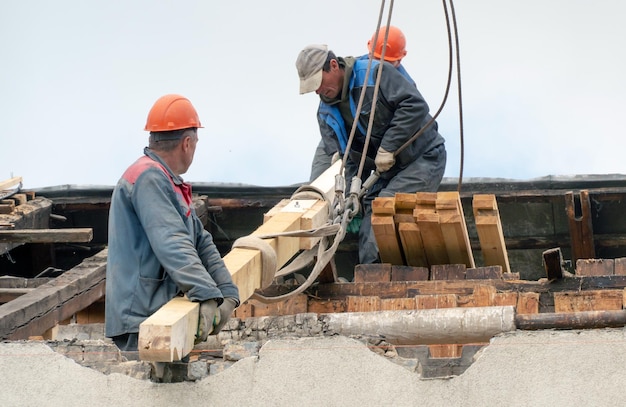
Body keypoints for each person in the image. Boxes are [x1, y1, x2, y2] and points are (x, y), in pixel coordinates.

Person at [105, 94, 240, 352]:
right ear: (187, 143)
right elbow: (172, 242)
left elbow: (202, 243)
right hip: (142, 323)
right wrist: (207, 293)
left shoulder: (167, 182)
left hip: (159, 316)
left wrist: (227, 291)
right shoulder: (148, 177)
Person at [296, 44, 447, 264]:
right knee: (369, 212)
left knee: (383, 209)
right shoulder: (325, 114)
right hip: (383, 171)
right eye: (312, 88)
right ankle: (371, 276)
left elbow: (414, 105)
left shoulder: (374, 74)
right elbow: (348, 161)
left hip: (421, 158)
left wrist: (389, 146)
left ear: (333, 66)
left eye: (318, 82)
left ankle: (379, 278)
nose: (318, 91)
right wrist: (350, 196)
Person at [308, 26, 415, 181]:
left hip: (368, 141)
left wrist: (388, 147)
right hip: (338, 135)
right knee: (318, 188)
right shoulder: (358, 70)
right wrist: (336, 149)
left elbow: (411, 111)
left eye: (388, 63)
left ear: (400, 59)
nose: (382, 68)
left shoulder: (403, 83)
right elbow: (328, 109)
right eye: (377, 60)